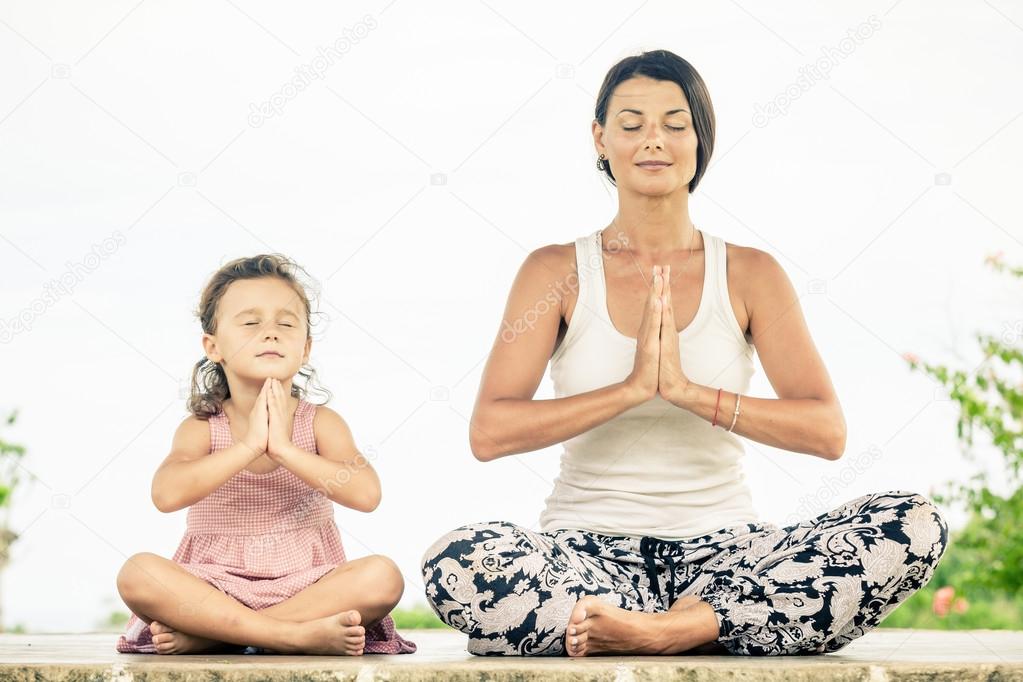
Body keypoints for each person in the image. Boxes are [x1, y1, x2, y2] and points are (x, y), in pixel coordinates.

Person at [420, 50, 947, 657]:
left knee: (912, 523)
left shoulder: (751, 273)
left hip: (729, 562)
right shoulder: (555, 272)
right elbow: (490, 432)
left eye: (675, 124)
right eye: (631, 123)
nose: (654, 141)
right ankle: (667, 625)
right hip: (588, 557)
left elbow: (826, 432)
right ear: (600, 138)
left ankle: (675, 628)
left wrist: (691, 393)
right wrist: (630, 389)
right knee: (457, 561)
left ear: (701, 139)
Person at [115, 254, 416, 656]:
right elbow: (166, 495)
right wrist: (248, 446)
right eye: (251, 323)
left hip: (308, 585)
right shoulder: (202, 427)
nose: (271, 333)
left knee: (383, 576)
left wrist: (285, 450)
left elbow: (367, 495)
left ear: (306, 348)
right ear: (214, 346)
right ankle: (288, 636)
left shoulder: (321, 423)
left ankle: (218, 636)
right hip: (214, 587)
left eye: (286, 324)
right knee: (137, 573)